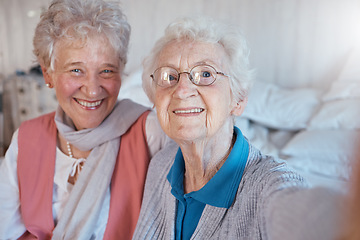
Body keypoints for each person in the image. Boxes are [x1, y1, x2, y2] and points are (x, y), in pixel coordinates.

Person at [132, 17, 343, 240]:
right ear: (155, 99)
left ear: (239, 99)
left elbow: (308, 217)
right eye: (170, 76)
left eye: (206, 74)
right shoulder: (161, 165)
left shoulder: (267, 187)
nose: (183, 90)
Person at [0, 0, 166, 239]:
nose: (92, 90)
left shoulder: (150, 132)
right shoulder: (26, 138)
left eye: (107, 70)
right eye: (76, 70)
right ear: (49, 74)